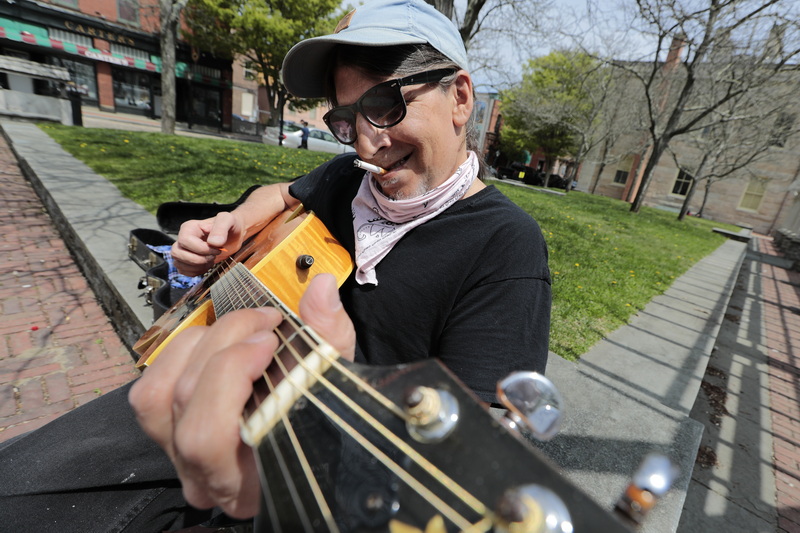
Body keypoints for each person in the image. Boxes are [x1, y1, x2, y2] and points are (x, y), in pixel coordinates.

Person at [0, 0, 551, 530]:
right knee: (22, 472)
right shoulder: (346, 179)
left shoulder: (506, 248)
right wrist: (230, 228)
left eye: (385, 105)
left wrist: (329, 407)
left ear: (459, 97)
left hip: (322, 482)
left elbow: (470, 465)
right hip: (218, 390)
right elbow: (282, 195)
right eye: (346, 118)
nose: (365, 142)